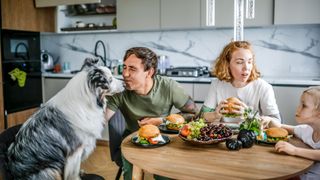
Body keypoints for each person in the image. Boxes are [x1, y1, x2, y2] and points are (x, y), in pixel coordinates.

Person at [105, 47, 198, 180]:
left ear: (149, 72)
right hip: (132, 142)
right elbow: (100, 120)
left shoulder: (168, 86)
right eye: (124, 67)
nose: (125, 74)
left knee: (165, 176)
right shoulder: (119, 91)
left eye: (132, 69)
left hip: (163, 141)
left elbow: (194, 114)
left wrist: (162, 121)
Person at [200, 41, 281, 123]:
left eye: (249, 62)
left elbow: (277, 121)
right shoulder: (217, 84)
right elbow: (201, 117)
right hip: (225, 135)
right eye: (239, 62)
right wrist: (215, 115)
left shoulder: (263, 87)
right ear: (227, 64)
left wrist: (248, 114)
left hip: (252, 134)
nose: (246, 67)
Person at [264, 86, 320, 180]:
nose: (298, 108)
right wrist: (269, 120)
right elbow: (283, 127)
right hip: (302, 176)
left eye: (304, 105)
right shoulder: (307, 130)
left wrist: (294, 150)